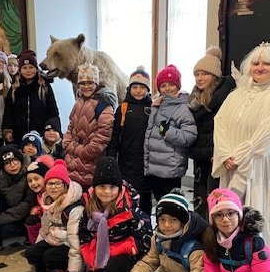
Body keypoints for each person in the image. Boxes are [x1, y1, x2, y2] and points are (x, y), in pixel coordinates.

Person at [212, 43, 270, 272]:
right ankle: (232, 271)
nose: (260, 67)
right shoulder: (236, 95)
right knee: (229, 218)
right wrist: (225, 154)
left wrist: (238, 157)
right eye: (255, 63)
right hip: (232, 166)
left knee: (257, 219)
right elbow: (220, 124)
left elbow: (269, 135)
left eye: (267, 63)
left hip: (261, 171)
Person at [68, 157, 153, 272]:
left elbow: (145, 240)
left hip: (125, 257)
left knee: (116, 266)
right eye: (102, 186)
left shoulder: (130, 209)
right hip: (100, 257)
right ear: (95, 187)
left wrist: (113, 251)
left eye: (112, 187)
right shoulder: (89, 208)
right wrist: (92, 256)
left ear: (119, 188)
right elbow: (84, 234)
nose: (107, 191)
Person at [188, 47, 235, 220]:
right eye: (197, 74)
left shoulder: (225, 98)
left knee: (215, 198)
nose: (200, 78)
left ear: (214, 75)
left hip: (216, 155)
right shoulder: (195, 98)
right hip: (200, 154)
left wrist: (220, 152)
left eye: (204, 74)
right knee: (200, 198)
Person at [24, 159, 84, 272]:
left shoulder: (74, 208)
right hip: (54, 239)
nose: (53, 187)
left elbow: (75, 244)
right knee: (30, 253)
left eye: (58, 183)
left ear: (65, 185)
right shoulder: (48, 201)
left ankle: (67, 269)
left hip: (68, 243)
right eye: (50, 183)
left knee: (50, 257)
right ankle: (48, 264)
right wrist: (37, 250)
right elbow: (44, 229)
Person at [143, 64, 197, 201]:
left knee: (170, 203)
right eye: (163, 85)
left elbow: (190, 135)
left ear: (178, 86)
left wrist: (169, 132)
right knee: (159, 201)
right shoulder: (156, 105)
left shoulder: (183, 108)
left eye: (171, 84)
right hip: (155, 167)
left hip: (170, 168)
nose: (167, 88)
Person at [107, 66, 153, 216]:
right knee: (126, 197)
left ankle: (145, 224)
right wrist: (111, 157)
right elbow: (115, 136)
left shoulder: (153, 108)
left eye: (142, 87)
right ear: (129, 89)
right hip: (125, 163)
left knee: (145, 198)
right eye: (135, 87)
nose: (138, 91)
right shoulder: (123, 109)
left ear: (148, 90)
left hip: (146, 163)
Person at [62, 62, 115, 190]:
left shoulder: (104, 105)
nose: (86, 87)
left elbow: (103, 137)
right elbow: (71, 127)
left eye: (90, 83)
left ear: (96, 83)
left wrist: (83, 152)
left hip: (90, 163)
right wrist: (67, 144)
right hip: (72, 161)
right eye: (82, 83)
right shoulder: (79, 101)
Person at [0, 144, 34, 256]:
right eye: (7, 163)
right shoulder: (1, 177)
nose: (12, 165)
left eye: (15, 160)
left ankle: (29, 236)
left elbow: (27, 205)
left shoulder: (30, 175)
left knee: (4, 229)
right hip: (10, 210)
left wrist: (0, 220)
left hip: (25, 215)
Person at [3, 49, 60, 144]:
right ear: (20, 70)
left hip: (40, 136)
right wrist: (8, 130)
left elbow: (53, 111)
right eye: (24, 68)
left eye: (31, 67)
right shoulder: (14, 88)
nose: (28, 71)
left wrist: (51, 129)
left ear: (36, 68)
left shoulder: (44, 87)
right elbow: (8, 112)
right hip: (18, 137)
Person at [24, 154, 55, 245]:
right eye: (30, 181)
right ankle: (36, 245)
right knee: (31, 220)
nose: (33, 183)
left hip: (57, 226)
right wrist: (38, 209)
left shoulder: (53, 193)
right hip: (45, 224)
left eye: (36, 179)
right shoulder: (39, 195)